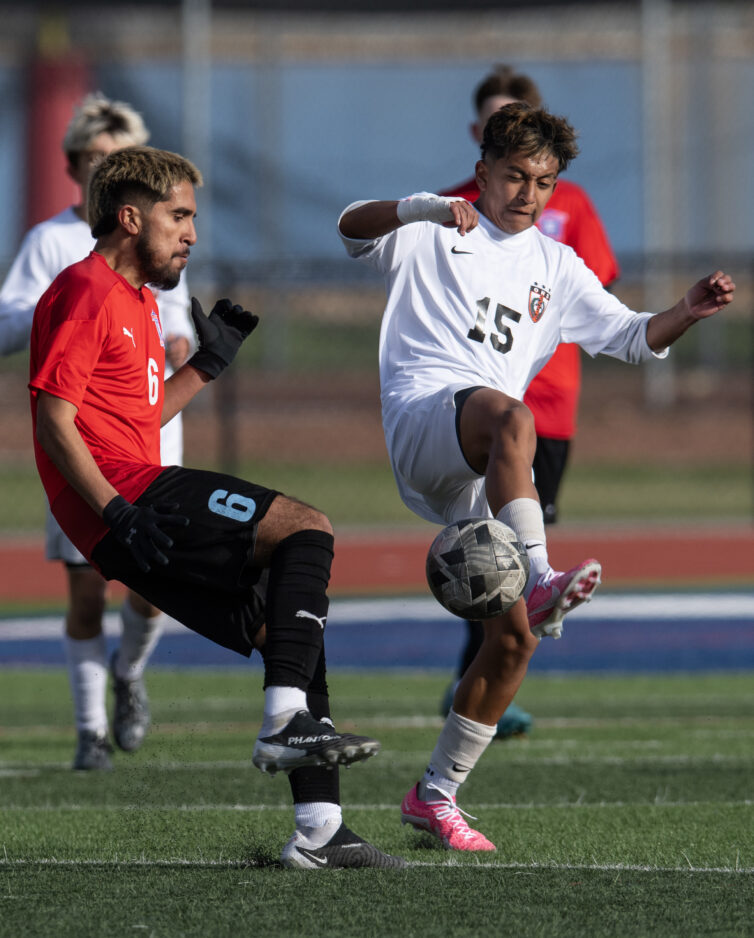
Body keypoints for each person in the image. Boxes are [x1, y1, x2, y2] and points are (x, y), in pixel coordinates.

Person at [338, 101, 734, 851]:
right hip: (427, 417)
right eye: (516, 175)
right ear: (484, 169)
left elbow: (628, 337)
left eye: (545, 182)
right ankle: (542, 571)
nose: (528, 193)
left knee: (513, 642)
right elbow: (349, 226)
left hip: (473, 467)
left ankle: (436, 795)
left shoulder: (554, 265)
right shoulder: (436, 227)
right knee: (518, 417)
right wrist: (417, 205)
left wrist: (685, 309)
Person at [28, 145, 404, 869]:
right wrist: (115, 512)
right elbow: (53, 418)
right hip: (127, 498)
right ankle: (281, 724)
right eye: (179, 215)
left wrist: (205, 366)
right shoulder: (86, 288)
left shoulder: (137, 300)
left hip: (130, 498)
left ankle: (320, 831)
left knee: (291, 630)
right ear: (130, 217)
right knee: (307, 528)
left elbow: (138, 420)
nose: (192, 233)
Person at [0, 93, 195, 770]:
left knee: (152, 589)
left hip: (149, 438)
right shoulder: (56, 247)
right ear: (74, 164)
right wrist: (68, 312)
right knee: (86, 587)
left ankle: (130, 674)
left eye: (117, 157)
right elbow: (11, 326)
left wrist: (189, 348)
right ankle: (89, 730)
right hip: (86, 447)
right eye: (92, 158)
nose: (104, 169)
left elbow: (171, 322)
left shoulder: (159, 240)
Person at [438, 65, 622, 742]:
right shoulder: (449, 210)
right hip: (473, 405)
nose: (528, 190)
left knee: (515, 546)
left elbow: (596, 288)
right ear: (480, 144)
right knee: (493, 552)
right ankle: (481, 680)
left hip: (552, 403)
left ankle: (484, 675)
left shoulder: (567, 203)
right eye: (496, 121)